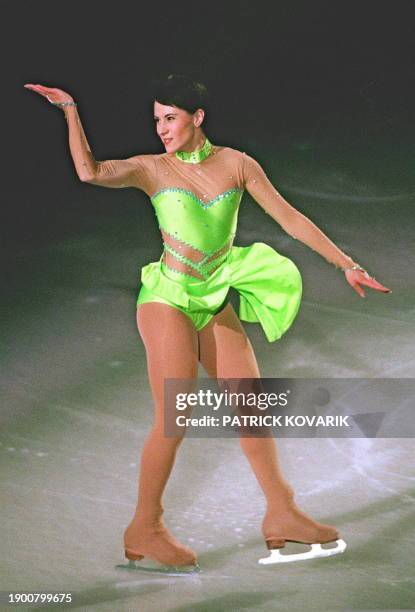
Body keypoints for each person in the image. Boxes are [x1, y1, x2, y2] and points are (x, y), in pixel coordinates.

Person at [24, 75, 391, 569]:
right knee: (176, 414)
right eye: (156, 120)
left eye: (170, 118)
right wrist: (70, 110)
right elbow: (89, 172)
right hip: (167, 299)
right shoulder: (151, 169)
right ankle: (145, 527)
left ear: (197, 118)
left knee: (252, 408)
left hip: (213, 298)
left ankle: (281, 513)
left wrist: (346, 263)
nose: (161, 129)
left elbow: (289, 218)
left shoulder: (237, 164)